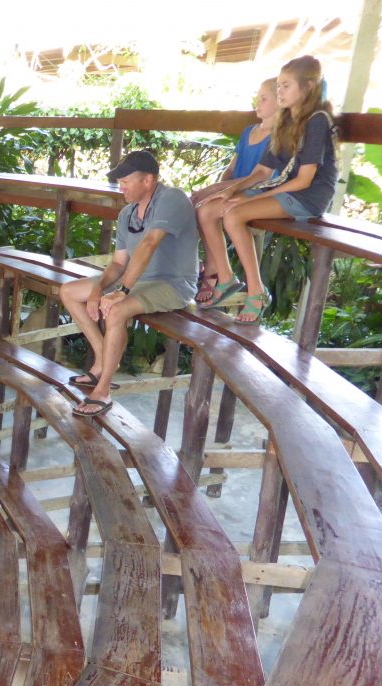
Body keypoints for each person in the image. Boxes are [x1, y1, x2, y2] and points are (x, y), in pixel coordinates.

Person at [198, 55, 337, 324]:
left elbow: (305, 180)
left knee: (233, 214)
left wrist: (251, 198)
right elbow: (261, 172)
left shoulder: (317, 120)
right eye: (278, 87)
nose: (279, 92)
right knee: (207, 209)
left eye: (285, 86)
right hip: (282, 188)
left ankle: (256, 291)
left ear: (307, 88)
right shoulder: (285, 122)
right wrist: (231, 191)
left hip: (307, 197)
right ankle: (226, 280)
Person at [61, 150, 199, 418]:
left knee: (116, 309)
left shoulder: (172, 197)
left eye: (126, 180)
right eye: (119, 181)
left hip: (173, 284)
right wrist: (98, 290)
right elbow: (117, 264)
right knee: (69, 291)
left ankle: (102, 391)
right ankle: (102, 358)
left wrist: (121, 292)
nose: (120, 186)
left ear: (148, 180)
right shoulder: (127, 213)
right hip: (137, 281)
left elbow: (149, 243)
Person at [192, 78, 278, 303]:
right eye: (257, 97)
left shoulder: (279, 136)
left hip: (255, 191)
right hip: (234, 188)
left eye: (264, 98)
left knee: (204, 207)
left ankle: (215, 272)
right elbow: (231, 168)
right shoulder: (249, 131)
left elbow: (260, 177)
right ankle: (219, 271)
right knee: (200, 204)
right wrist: (219, 187)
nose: (257, 102)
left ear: (280, 101)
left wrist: (218, 190)